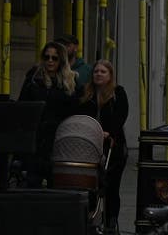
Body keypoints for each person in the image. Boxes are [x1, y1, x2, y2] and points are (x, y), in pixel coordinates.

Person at [72, 60, 128, 230]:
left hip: (111, 145)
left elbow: (121, 115)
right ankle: (90, 217)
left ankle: (111, 220)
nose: (98, 74)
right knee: (89, 184)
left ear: (110, 75)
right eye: (96, 71)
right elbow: (79, 113)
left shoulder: (118, 93)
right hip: (88, 144)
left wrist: (108, 132)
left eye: (103, 72)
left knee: (111, 185)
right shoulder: (84, 92)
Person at [17, 41, 79, 187]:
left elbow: (75, 109)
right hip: (36, 138)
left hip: (60, 138)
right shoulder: (34, 78)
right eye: (47, 57)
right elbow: (23, 104)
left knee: (56, 182)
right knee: (32, 181)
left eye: (54, 58)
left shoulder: (70, 81)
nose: (50, 61)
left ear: (62, 60)